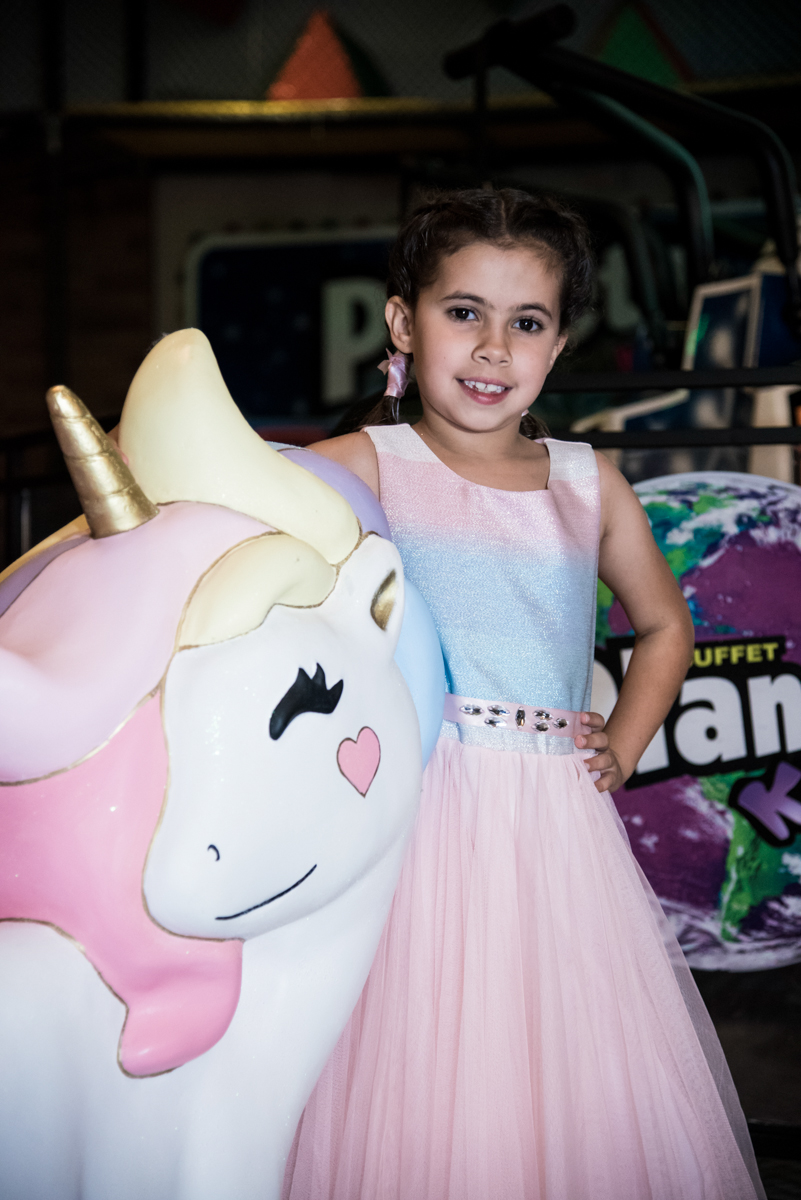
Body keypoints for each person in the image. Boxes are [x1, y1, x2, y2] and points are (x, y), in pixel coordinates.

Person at [282, 189, 764, 1200]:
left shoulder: (589, 482)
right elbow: (226, 530)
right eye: (464, 313)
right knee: (420, 1059)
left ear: (558, 344)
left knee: (558, 1057)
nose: (494, 347)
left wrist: (624, 744)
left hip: (554, 820)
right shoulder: (363, 465)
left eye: (527, 322)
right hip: (416, 814)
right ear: (405, 323)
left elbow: (665, 626)